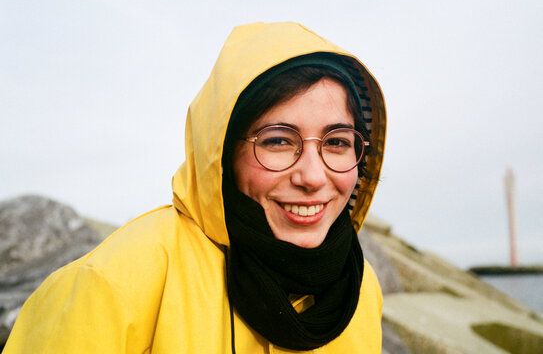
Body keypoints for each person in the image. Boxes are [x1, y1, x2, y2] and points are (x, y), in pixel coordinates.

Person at [3, 22, 386, 353]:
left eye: (337, 142)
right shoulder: (112, 285)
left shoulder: (360, 288)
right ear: (220, 154)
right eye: (278, 141)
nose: (313, 177)